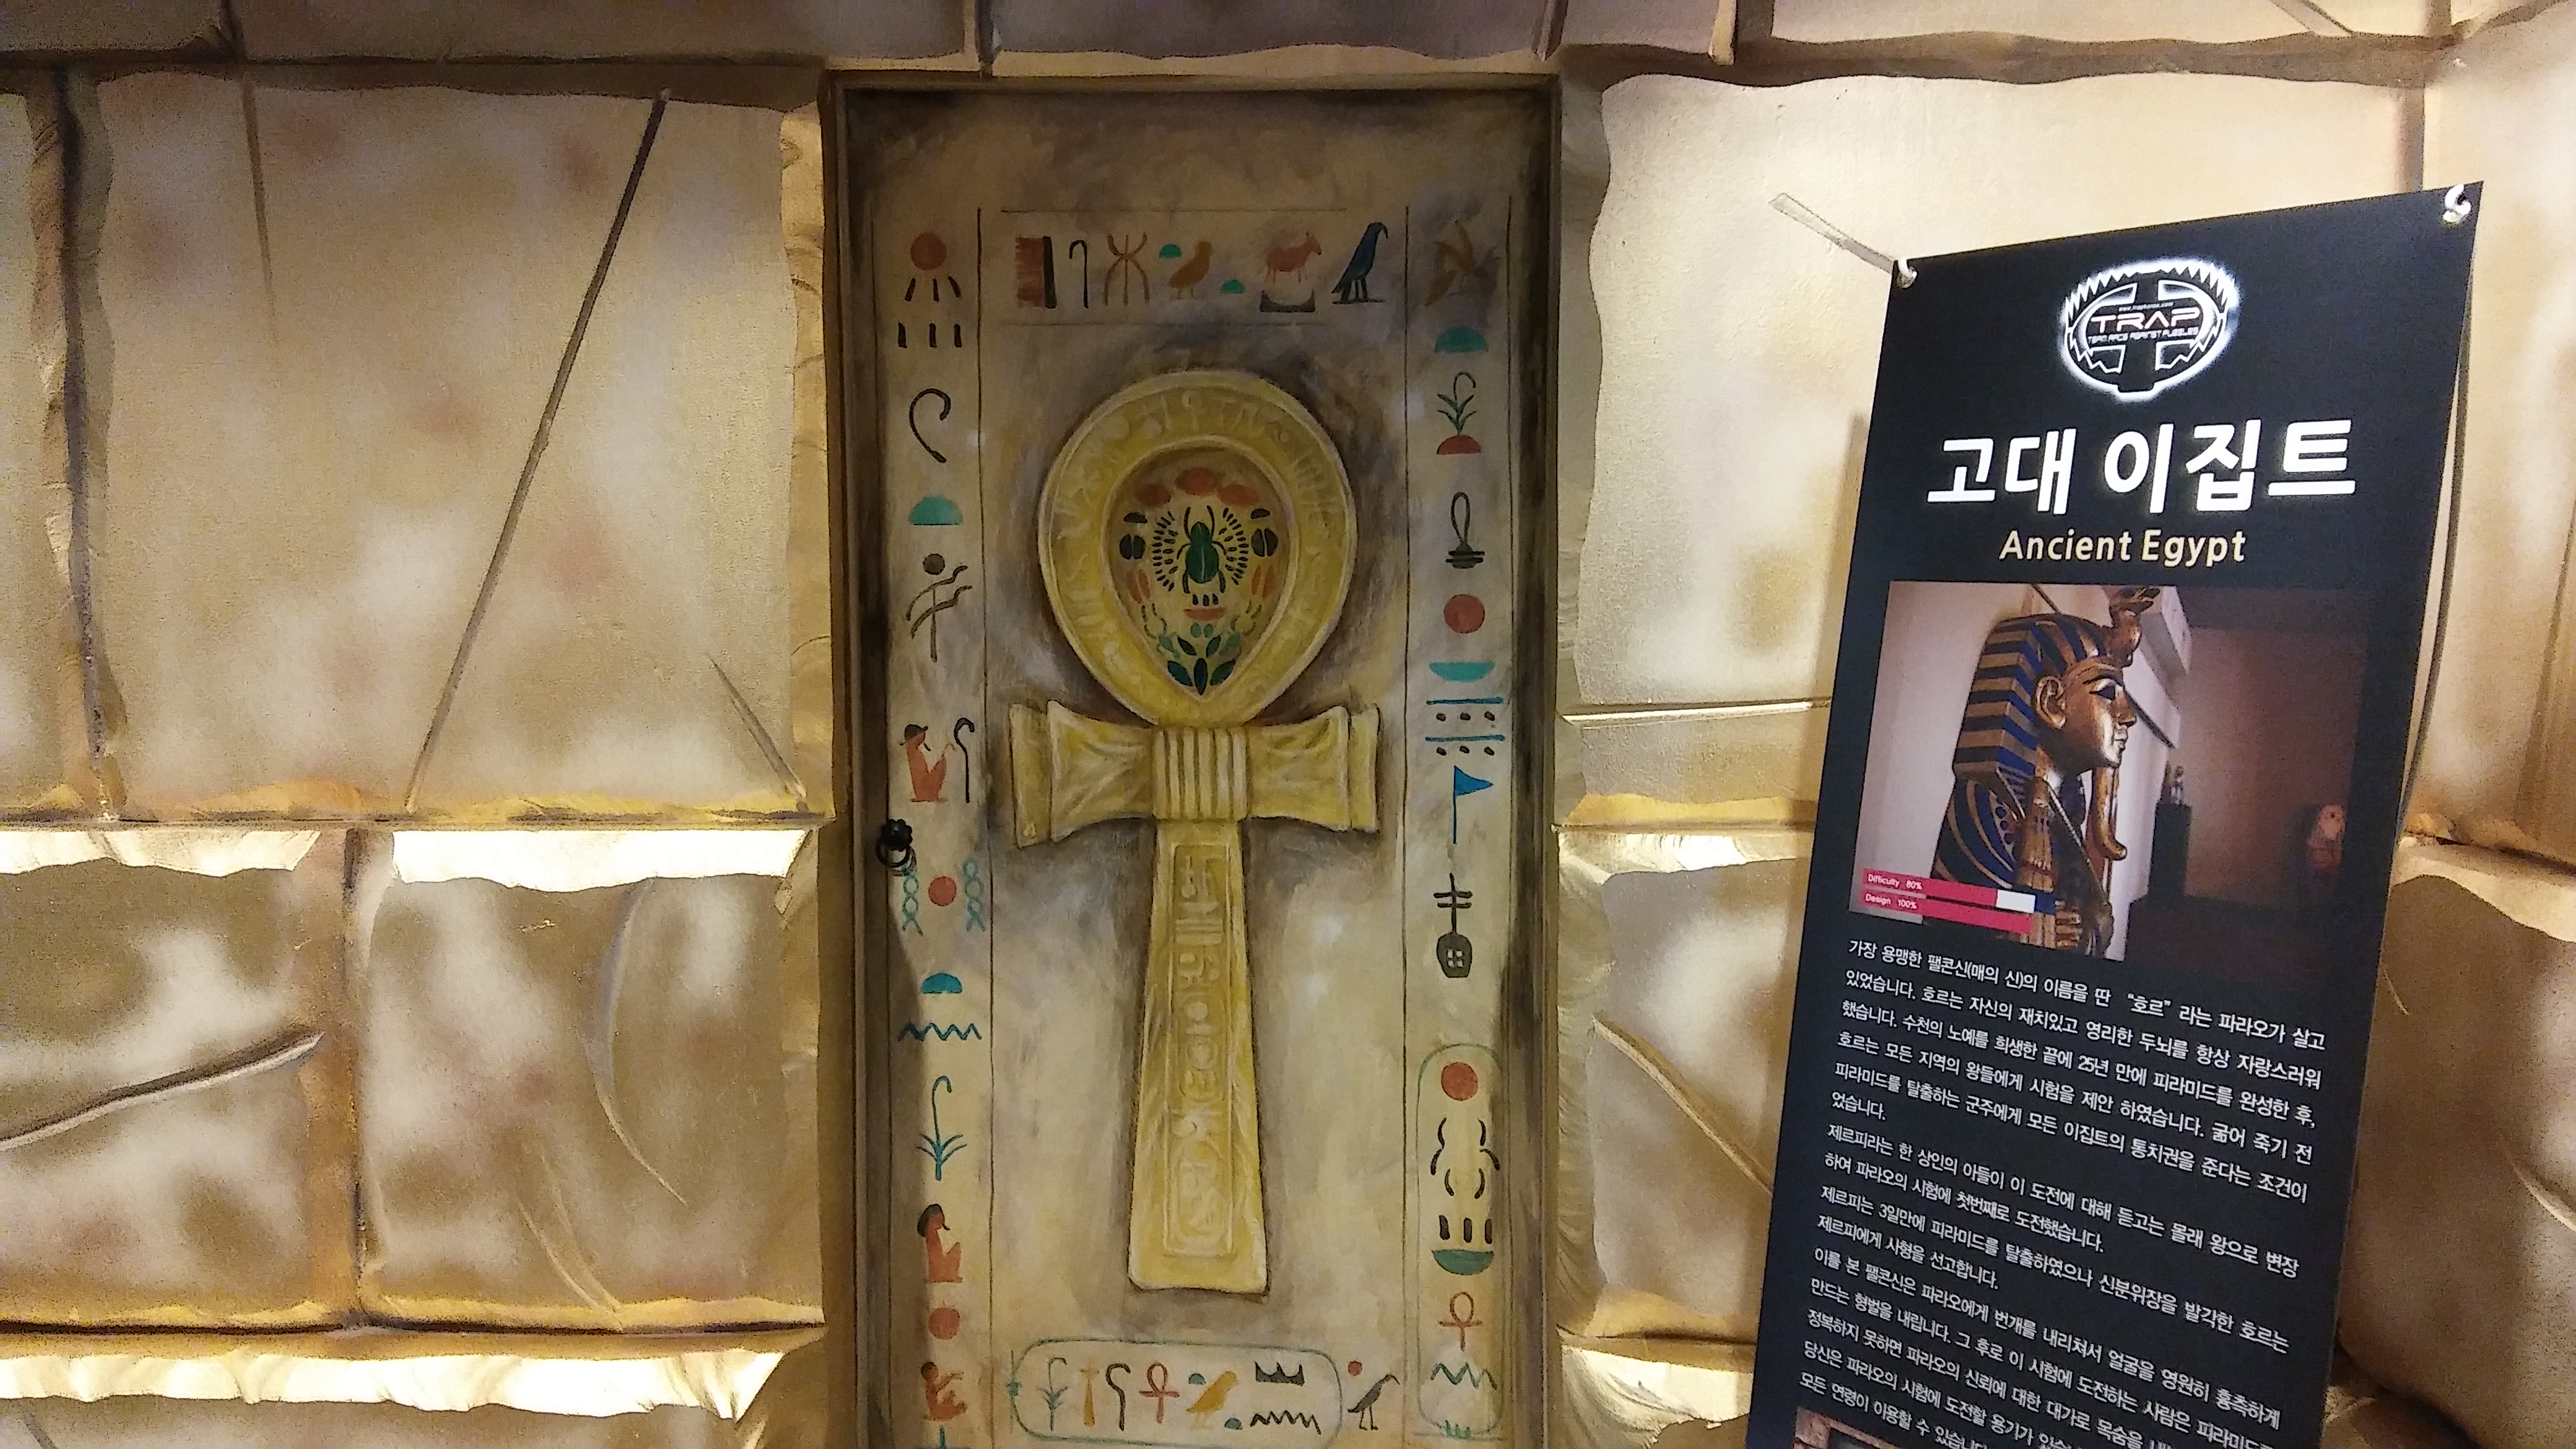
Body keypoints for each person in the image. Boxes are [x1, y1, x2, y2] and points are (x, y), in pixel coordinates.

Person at [1932, 586, 2159, 956]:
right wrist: (2048, 927)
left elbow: (2077, 914)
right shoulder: (1987, 805)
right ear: (2052, 702)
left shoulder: (2068, 804)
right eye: (2107, 694)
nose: (2128, 716)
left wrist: (2086, 932)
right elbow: (1953, 919)